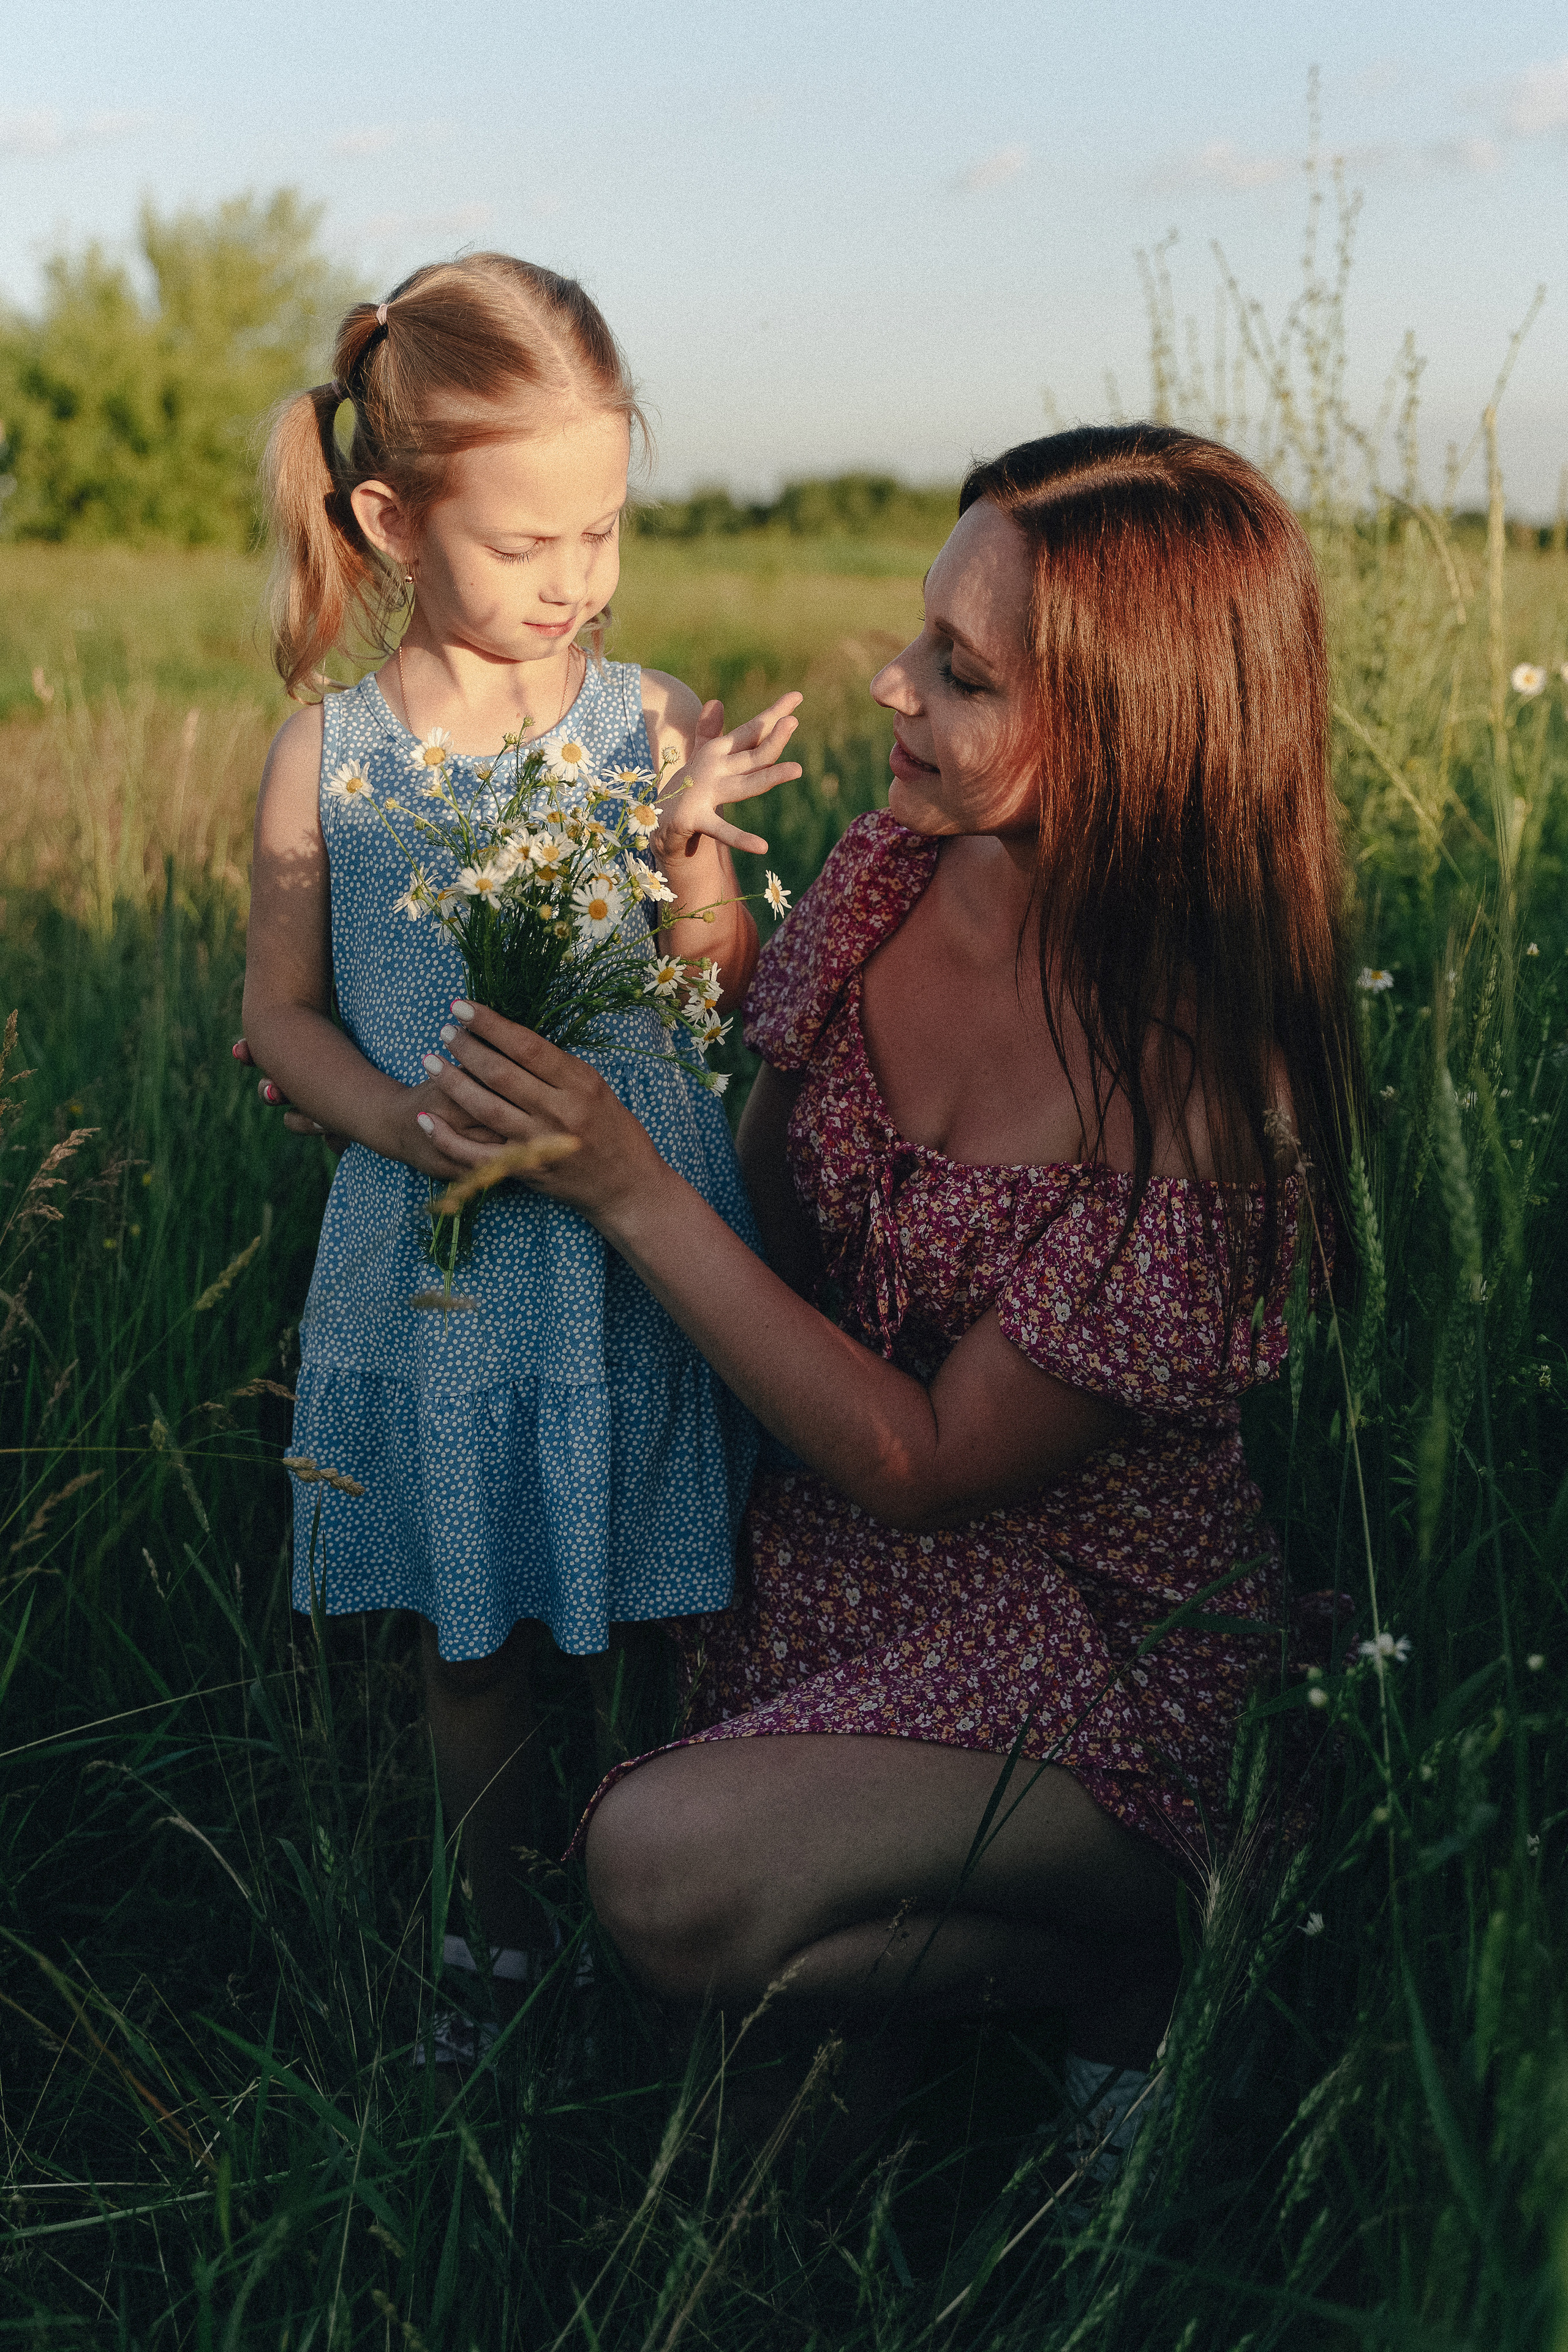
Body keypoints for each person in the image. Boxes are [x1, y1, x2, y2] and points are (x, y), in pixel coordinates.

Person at [405, 424, 1362, 2147]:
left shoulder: (1199, 1094)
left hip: (1088, 1629)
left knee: (660, 1879)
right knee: (772, 2121)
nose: (892, 687)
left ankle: (1177, 1906)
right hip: (833, 1558)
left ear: (1136, 736)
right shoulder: (887, 877)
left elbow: (928, 1464)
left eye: (962, 673)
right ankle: (1081, 1980)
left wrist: (624, 1179)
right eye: (921, 634)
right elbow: (765, 1230)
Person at [240, 255, 802, 2038]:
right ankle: (490, 1949)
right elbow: (281, 1024)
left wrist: (694, 850)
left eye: (605, 533)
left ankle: (689, 1915)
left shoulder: (645, 724)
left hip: (646, 1251)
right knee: (471, 1637)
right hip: (449, 1261)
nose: (575, 583)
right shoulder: (324, 757)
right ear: (396, 519)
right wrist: (408, 1123)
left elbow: (726, 985)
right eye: (526, 544)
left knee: (669, 1604)